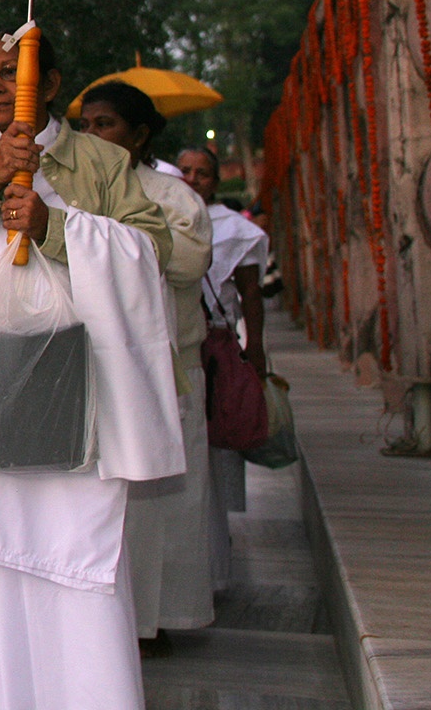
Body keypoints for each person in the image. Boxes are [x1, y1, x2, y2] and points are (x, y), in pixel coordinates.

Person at [0, 31, 179, 710]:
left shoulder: (98, 160)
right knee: (6, 559)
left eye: (12, 73)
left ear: (51, 83)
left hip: (78, 387)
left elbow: (154, 250)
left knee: (82, 559)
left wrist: (57, 228)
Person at [79, 82, 217, 653]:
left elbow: (183, 262)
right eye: (86, 124)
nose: (93, 136)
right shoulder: (76, 186)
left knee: (166, 505)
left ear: (138, 136)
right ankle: (105, 624)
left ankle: (159, 618)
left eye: (106, 124)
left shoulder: (174, 196)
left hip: (168, 368)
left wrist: (110, 233)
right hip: (93, 368)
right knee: (106, 507)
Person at [177, 145, 271, 588]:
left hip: (216, 345)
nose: (193, 179)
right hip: (181, 343)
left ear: (216, 180)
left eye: (203, 173)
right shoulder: (166, 212)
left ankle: (215, 562)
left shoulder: (235, 229)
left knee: (213, 457)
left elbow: (251, 293)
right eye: (186, 171)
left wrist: (257, 347)